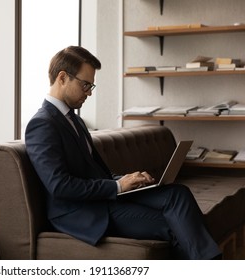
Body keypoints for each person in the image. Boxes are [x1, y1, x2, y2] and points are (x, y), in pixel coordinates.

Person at [25, 46, 221, 260]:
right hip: (80, 212)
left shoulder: (74, 120)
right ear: (62, 78)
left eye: (91, 86)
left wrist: (130, 180)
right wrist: (117, 186)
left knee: (178, 194)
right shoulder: (42, 124)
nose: (89, 92)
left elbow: (94, 172)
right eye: (85, 85)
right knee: (176, 223)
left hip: (103, 197)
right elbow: (59, 186)